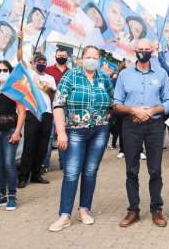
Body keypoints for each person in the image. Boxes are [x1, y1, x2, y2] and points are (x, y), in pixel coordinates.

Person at [48, 46, 113, 232]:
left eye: (95, 57)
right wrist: (61, 132)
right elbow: (58, 104)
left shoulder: (104, 78)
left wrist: (106, 114)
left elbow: (112, 100)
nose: (91, 59)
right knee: (71, 172)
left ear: (99, 59)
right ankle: (65, 215)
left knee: (91, 171)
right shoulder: (71, 76)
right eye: (88, 56)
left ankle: (84, 210)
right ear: (81, 58)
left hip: (99, 131)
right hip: (75, 131)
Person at [113, 38, 169, 228]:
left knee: (155, 169)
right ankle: (133, 210)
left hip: (154, 126)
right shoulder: (125, 75)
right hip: (130, 126)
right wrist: (134, 111)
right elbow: (116, 103)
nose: (143, 51)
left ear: (152, 51)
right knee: (131, 170)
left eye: (147, 49)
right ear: (134, 50)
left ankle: (157, 209)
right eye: (140, 49)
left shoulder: (161, 74)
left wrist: (152, 111)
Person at [0, 61, 26, 210]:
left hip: (10, 130)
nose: (2, 72)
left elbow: (22, 111)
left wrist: (17, 132)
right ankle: (0, 196)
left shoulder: (15, 88)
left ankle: (12, 196)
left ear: (10, 71)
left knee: (9, 164)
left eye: (5, 70)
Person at [18, 52, 56, 188]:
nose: (41, 63)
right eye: (38, 61)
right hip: (32, 113)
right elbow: (19, 58)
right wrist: (20, 41)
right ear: (33, 63)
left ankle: (36, 174)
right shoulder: (29, 74)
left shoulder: (50, 78)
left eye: (44, 61)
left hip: (47, 114)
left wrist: (48, 90)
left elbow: (54, 97)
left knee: (42, 146)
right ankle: (23, 176)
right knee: (29, 146)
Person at [42, 48, 70, 173]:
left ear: (67, 57)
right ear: (55, 56)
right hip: (50, 107)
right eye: (59, 55)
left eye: (64, 56)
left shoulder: (71, 72)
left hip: (66, 109)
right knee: (49, 136)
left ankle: (64, 163)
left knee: (63, 136)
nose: (61, 57)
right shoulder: (47, 70)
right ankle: (44, 164)